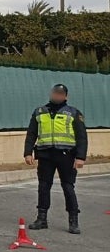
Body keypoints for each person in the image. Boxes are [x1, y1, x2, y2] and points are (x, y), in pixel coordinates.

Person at [25, 83, 88, 234]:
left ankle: (73, 221)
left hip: (66, 155)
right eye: (55, 93)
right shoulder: (40, 112)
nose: (57, 96)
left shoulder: (73, 113)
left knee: (68, 187)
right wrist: (27, 152)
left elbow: (82, 137)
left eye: (60, 94)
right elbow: (31, 133)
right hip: (45, 154)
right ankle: (42, 219)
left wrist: (80, 157)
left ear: (65, 96)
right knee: (43, 186)